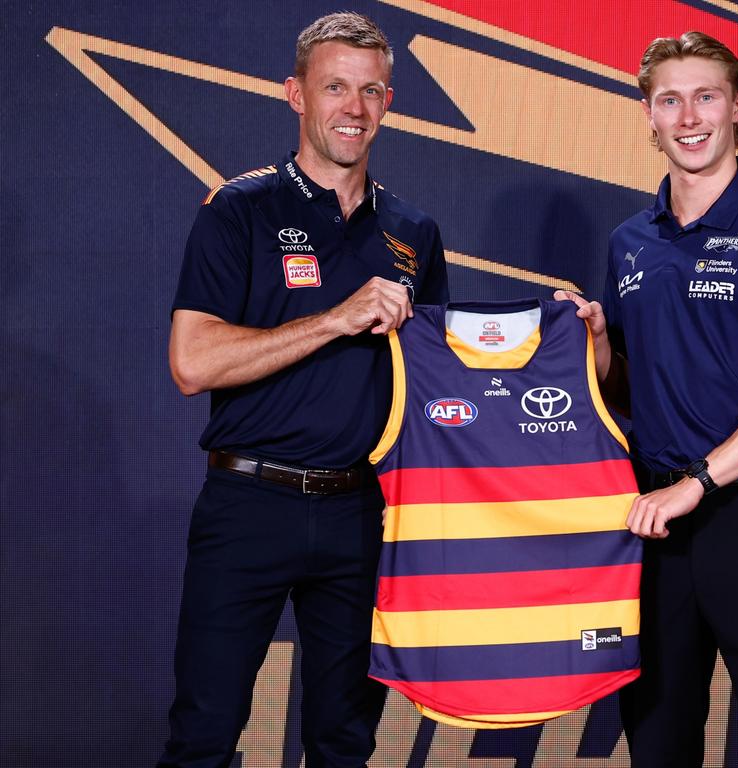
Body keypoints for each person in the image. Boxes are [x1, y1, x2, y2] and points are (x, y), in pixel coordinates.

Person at [159, 12, 448, 768]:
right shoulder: (240, 209)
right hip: (249, 506)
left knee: (345, 745)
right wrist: (336, 318)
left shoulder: (415, 230)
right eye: (335, 88)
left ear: (389, 102)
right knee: (204, 738)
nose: (353, 108)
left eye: (371, 91)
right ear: (296, 94)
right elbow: (192, 363)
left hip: (362, 514)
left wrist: (569, 345)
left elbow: (438, 381)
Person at [557, 31, 738, 768]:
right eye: (670, 100)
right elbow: (628, 390)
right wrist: (596, 347)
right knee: (658, 745)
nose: (689, 117)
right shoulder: (629, 241)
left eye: (706, 97)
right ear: (648, 116)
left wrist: (701, 482)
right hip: (653, 527)